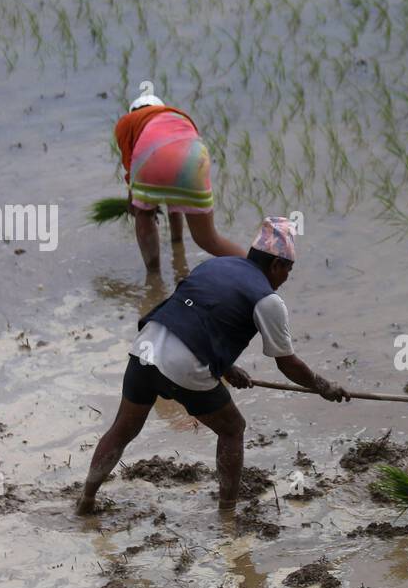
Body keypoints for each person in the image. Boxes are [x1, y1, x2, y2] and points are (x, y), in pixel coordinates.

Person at [76, 216, 349, 515]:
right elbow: (288, 364)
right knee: (233, 429)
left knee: (122, 429)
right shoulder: (268, 300)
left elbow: (195, 317)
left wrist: (228, 369)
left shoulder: (214, 265)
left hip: (147, 346)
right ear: (276, 266)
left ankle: (87, 499)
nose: (286, 279)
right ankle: (227, 512)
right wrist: (324, 386)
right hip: (185, 365)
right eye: (288, 271)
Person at [114, 90, 244, 272]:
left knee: (144, 214)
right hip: (195, 158)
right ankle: (258, 270)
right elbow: (175, 196)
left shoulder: (127, 122)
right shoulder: (179, 117)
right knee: (209, 239)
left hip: (154, 158)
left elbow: (131, 166)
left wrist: (136, 203)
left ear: (133, 111)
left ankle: (153, 276)